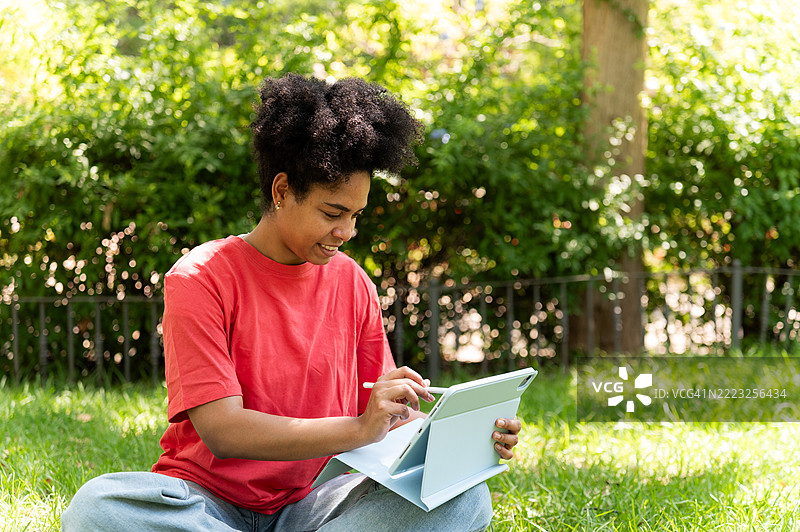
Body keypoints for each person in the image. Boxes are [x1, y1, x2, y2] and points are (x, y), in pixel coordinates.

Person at [62, 73, 522, 532]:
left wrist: (460, 443)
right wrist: (359, 428)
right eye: (332, 213)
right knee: (98, 506)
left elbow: (386, 425)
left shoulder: (353, 283)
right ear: (282, 192)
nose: (347, 232)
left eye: (355, 215)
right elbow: (222, 432)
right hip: (204, 506)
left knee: (466, 502)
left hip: (314, 504)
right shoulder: (200, 277)